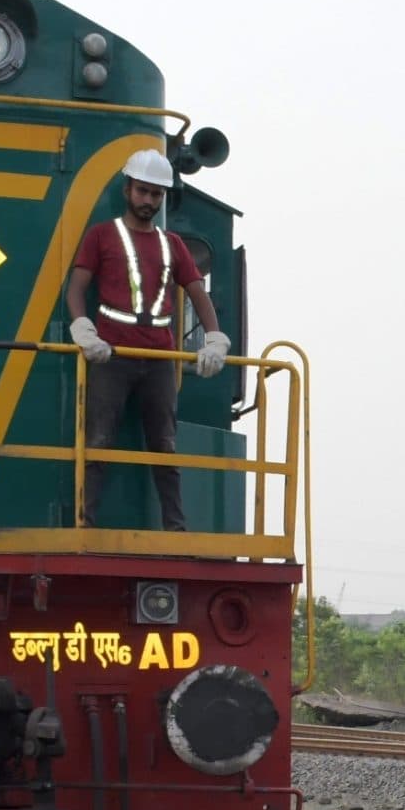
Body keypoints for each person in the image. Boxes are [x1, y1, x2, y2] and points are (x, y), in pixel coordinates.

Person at [66, 150, 228, 531]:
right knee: (99, 440)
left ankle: (175, 526)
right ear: (128, 190)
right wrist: (83, 329)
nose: (149, 201)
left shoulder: (172, 243)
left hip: (159, 358)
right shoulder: (101, 235)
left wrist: (215, 337)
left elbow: (197, 291)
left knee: (165, 445)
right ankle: (84, 523)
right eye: (143, 191)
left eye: (157, 195)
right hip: (112, 356)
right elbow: (76, 288)